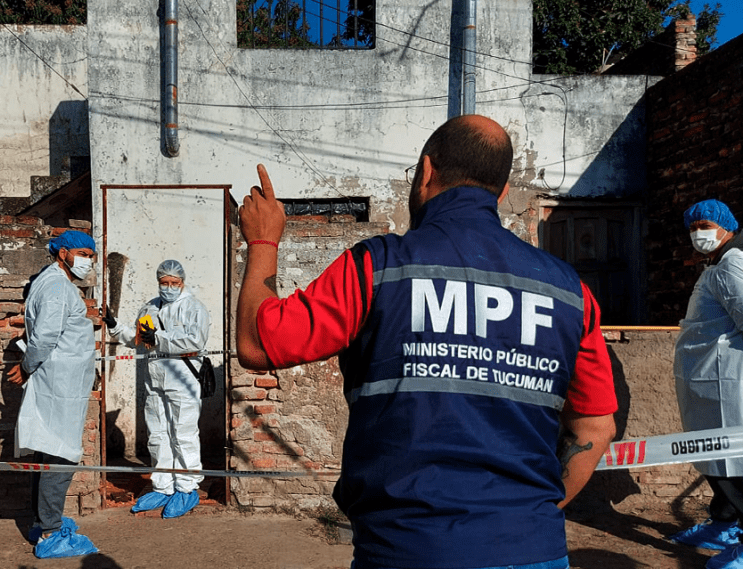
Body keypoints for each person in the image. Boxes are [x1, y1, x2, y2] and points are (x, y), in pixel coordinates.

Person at [235, 115, 618, 569]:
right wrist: (532, 514)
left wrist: (262, 240)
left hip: (407, 550)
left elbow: (259, 343)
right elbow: (596, 428)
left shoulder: (378, 267)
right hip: (534, 549)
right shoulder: (569, 292)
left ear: (427, 172)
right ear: (500, 192)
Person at [7, 230, 98, 559]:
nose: (89, 260)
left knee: (47, 452)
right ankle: (51, 532)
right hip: (61, 385)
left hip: (60, 382)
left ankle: (41, 521)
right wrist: (28, 365)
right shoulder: (59, 286)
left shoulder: (51, 282)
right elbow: (45, 337)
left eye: (92, 254)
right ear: (63, 253)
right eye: (84, 253)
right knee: (61, 455)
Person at [103, 260, 211, 519]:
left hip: (183, 378)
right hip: (154, 380)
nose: (170, 288)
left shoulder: (194, 308)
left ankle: (186, 488)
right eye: (165, 283)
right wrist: (115, 326)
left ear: (183, 283)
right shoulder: (150, 307)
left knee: (183, 434)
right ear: (159, 282)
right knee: (158, 434)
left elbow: (196, 339)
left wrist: (160, 339)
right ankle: (162, 486)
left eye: (175, 283)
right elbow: (138, 339)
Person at [669, 199, 743, 569]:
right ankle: (723, 524)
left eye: (705, 225)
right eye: (693, 227)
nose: (699, 233)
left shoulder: (733, 264)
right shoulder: (716, 264)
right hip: (709, 382)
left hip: (729, 383)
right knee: (716, 460)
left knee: (736, 465)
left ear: (725, 225)